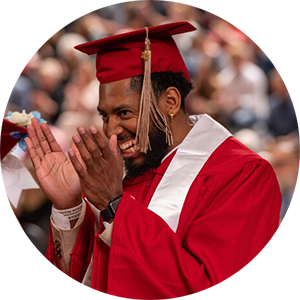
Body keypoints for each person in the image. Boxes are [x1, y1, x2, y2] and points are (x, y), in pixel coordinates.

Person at [25, 22, 282, 300]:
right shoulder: (136, 169)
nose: (112, 131)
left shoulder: (241, 175)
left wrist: (116, 207)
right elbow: (89, 279)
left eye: (124, 113)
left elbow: (215, 289)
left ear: (170, 101)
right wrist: (69, 207)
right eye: (105, 116)